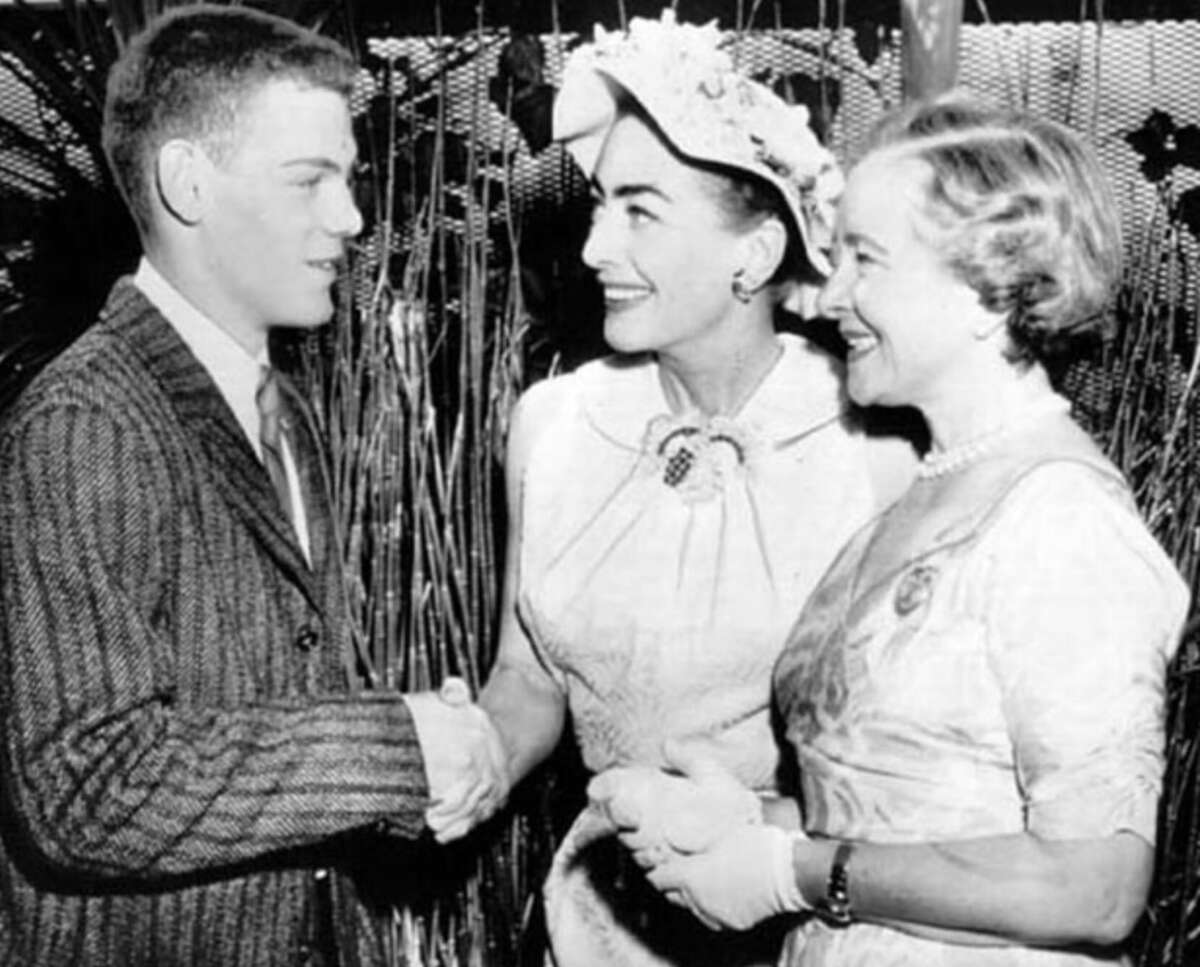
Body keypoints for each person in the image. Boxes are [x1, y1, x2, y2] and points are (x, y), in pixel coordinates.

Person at [589, 97, 1191, 966]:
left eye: (864, 261)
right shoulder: (927, 488)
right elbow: (918, 811)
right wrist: (750, 821)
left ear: (990, 284)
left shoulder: (1062, 520)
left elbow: (1094, 887)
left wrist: (793, 869)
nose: (830, 298)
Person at [0, 7, 504, 966]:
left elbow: (274, 705)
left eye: (347, 179)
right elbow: (85, 785)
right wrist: (395, 747)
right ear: (189, 183)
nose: (351, 217)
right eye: (310, 179)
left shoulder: (285, 411)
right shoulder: (85, 424)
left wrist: (420, 767)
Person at [425, 10, 916, 967]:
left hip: (800, 922)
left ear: (756, 253)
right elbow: (529, 677)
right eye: (601, 203)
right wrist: (469, 755)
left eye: (641, 211)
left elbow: (915, 773)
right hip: (597, 922)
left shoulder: (874, 449)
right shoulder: (554, 424)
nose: (598, 247)